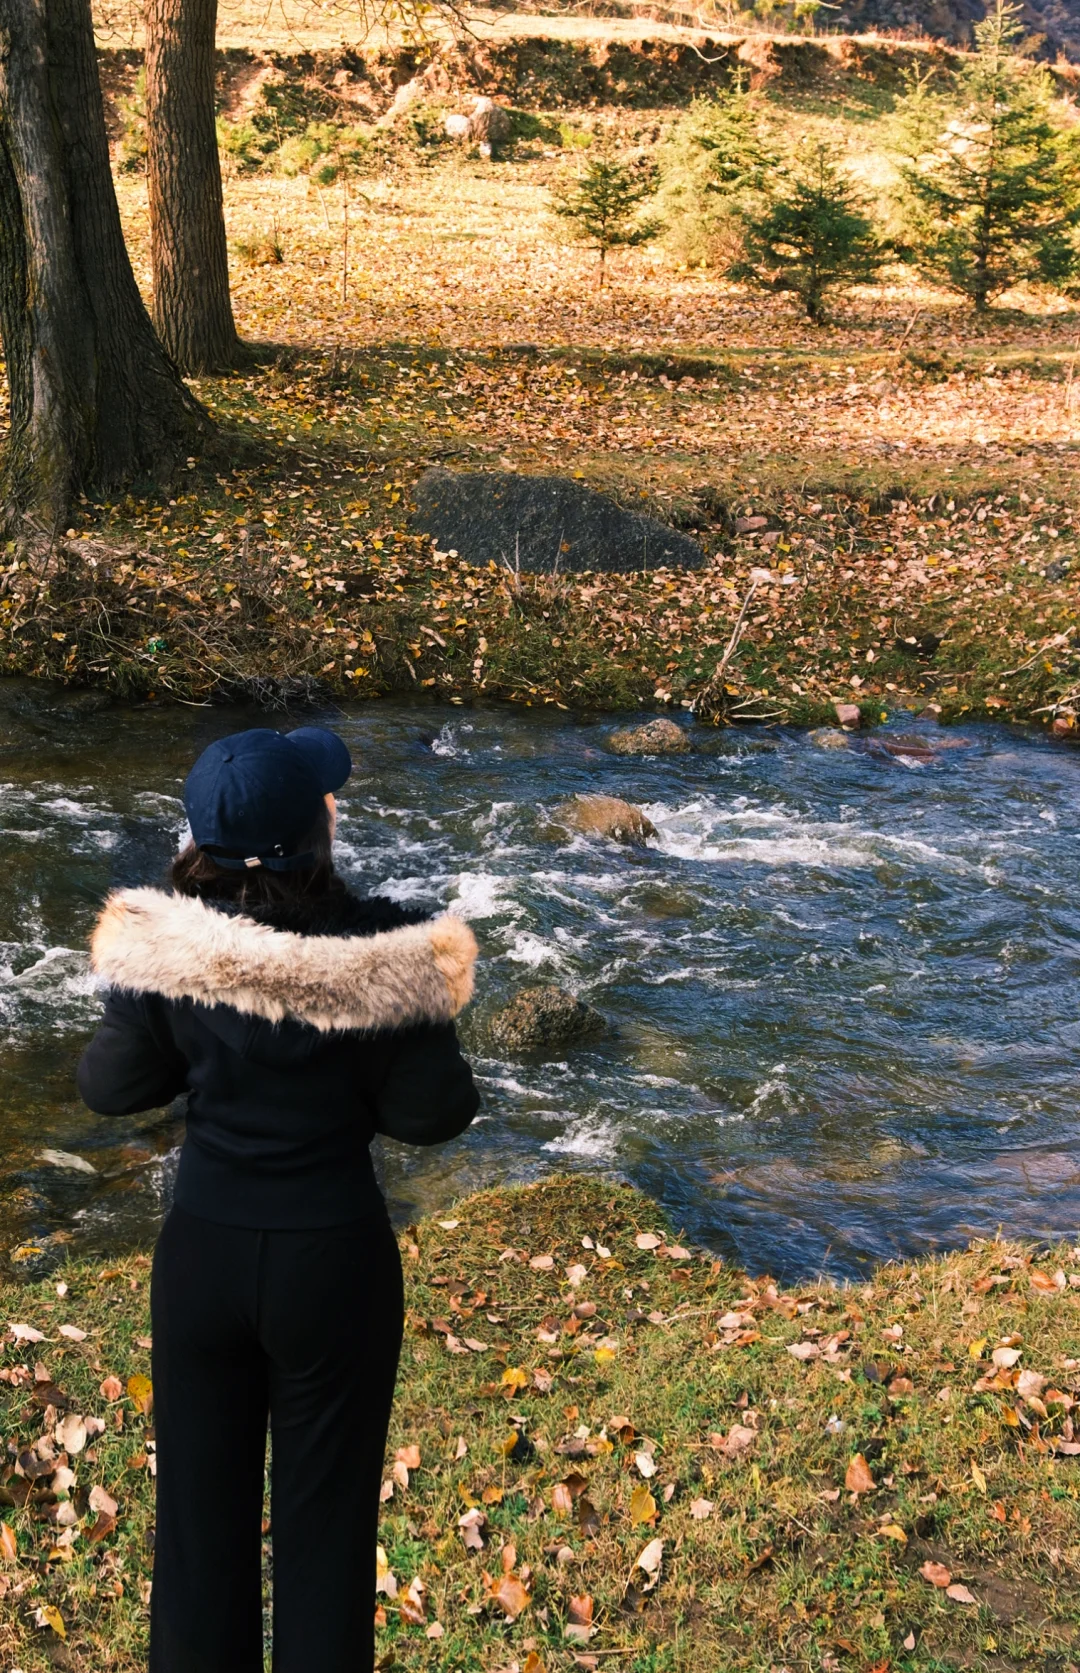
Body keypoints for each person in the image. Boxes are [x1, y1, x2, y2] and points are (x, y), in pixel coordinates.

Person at [77, 726, 480, 1673]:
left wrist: (164, 1010)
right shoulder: (388, 952)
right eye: (327, 798)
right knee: (327, 1536)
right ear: (317, 831)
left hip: (206, 1258)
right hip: (333, 1260)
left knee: (196, 1538)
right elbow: (437, 1114)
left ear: (199, 841)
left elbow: (109, 1086)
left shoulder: (167, 954)